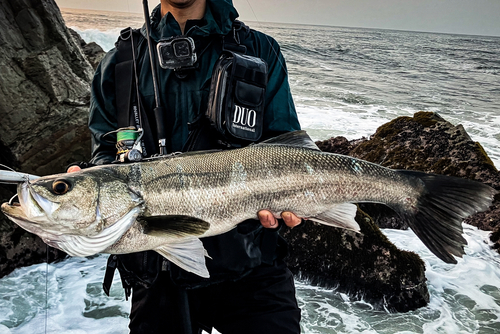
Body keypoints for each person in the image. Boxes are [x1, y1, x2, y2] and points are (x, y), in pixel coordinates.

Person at [69, 0, 303, 332]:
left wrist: (294, 198)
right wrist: (90, 181)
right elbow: (106, 153)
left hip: (253, 264)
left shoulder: (260, 50)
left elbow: (286, 146)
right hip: (157, 269)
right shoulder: (119, 63)